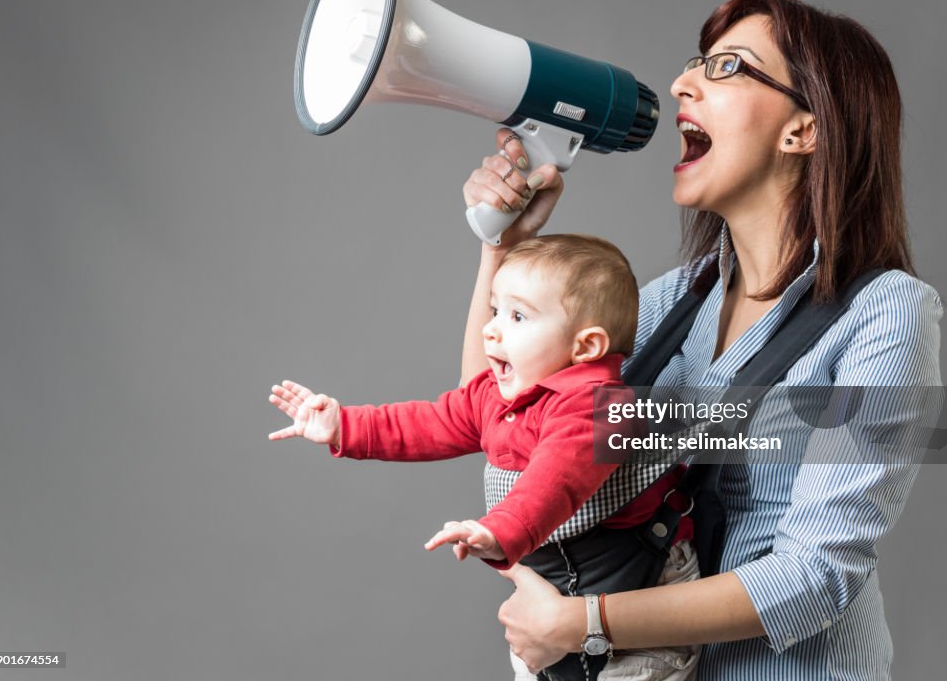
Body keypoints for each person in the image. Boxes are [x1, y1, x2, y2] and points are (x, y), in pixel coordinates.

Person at [460, 0, 942, 680]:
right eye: (695, 64)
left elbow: (816, 573)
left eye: (728, 69)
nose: (683, 85)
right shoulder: (676, 300)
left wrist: (581, 623)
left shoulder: (886, 314)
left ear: (802, 130)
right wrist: (500, 253)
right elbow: (501, 420)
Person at [267, 233, 701, 681]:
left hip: (638, 588)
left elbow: (556, 481)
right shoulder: (498, 396)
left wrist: (497, 530)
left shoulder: (598, 406)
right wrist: (345, 426)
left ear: (586, 347)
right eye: (495, 311)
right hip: (561, 591)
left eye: (517, 316)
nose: (490, 329)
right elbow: (428, 422)